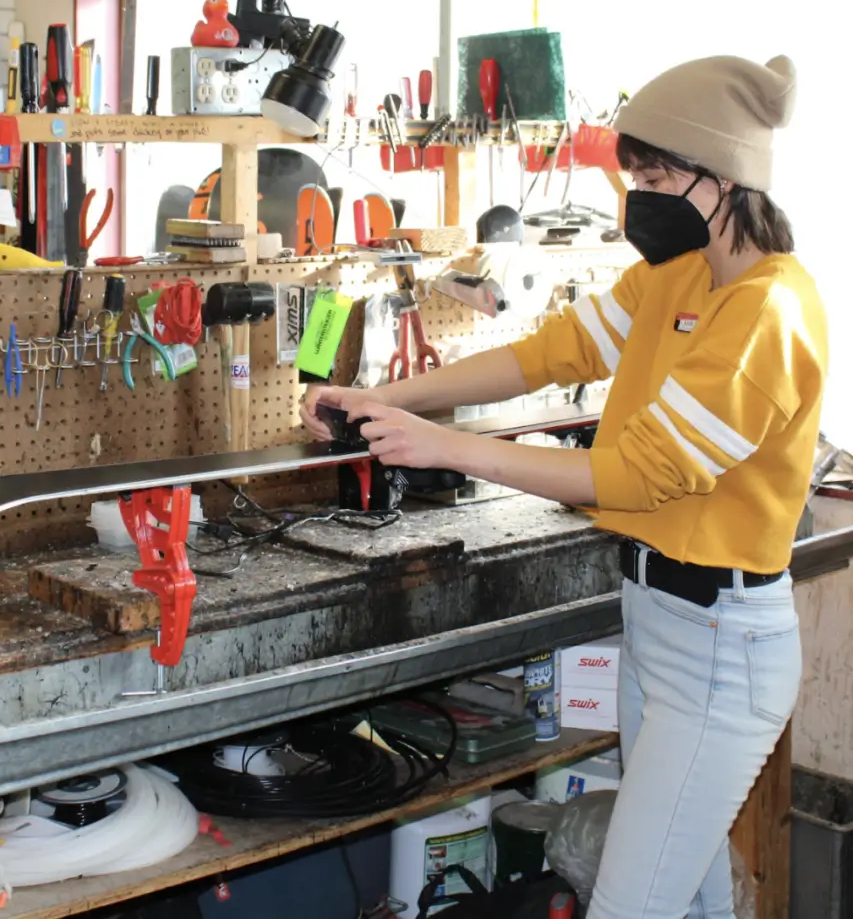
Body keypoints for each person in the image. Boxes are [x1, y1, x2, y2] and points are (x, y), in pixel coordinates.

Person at [301, 53, 827, 919]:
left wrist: (445, 450)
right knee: (690, 900)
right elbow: (546, 354)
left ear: (724, 179)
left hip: (720, 647)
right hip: (657, 621)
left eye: (656, 175)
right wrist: (386, 398)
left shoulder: (767, 312)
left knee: (630, 903)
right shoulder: (678, 276)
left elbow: (634, 474)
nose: (639, 196)